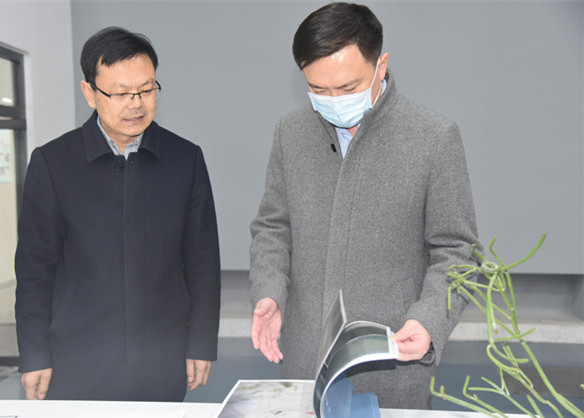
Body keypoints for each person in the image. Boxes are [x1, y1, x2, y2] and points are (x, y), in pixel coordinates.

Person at [249, 2, 480, 409]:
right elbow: (273, 227)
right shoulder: (291, 132)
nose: (333, 100)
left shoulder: (433, 137)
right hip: (306, 359)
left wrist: (428, 319)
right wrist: (269, 290)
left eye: (348, 87)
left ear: (381, 65)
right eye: (319, 89)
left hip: (394, 362)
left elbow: (458, 251)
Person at [15, 27, 221, 402]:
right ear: (89, 92)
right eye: (121, 93)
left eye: (147, 89)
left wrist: (202, 342)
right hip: (77, 358)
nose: (136, 104)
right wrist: (34, 353)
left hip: (161, 357)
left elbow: (203, 261)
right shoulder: (53, 163)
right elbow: (34, 270)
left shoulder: (185, 159)